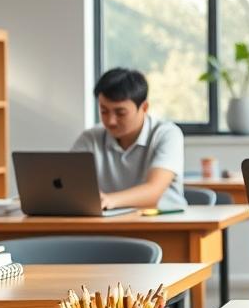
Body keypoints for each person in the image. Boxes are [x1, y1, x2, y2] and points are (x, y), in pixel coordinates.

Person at [72, 67, 187, 210]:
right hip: (107, 224)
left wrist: (109, 200)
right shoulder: (91, 138)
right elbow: (67, 183)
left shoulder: (167, 134)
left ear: (144, 107)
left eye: (120, 113)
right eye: (104, 111)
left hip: (164, 223)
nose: (111, 121)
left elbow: (153, 191)